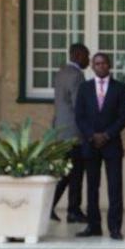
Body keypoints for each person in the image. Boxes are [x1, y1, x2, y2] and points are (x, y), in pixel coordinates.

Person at [74, 52, 125, 240]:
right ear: (92, 66)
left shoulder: (119, 88)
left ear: (109, 65)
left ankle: (115, 228)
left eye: (104, 63)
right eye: (97, 63)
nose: (101, 66)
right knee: (92, 187)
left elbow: (124, 117)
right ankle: (93, 225)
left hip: (112, 145)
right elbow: (79, 117)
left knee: (115, 188)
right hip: (90, 146)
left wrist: (106, 135)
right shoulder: (84, 88)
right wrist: (91, 135)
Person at [50, 43, 90, 223]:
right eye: (87, 56)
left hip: (60, 131)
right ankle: (72, 210)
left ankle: (52, 205)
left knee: (67, 172)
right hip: (74, 133)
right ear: (79, 55)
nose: (88, 61)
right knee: (75, 174)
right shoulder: (76, 75)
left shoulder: (61, 73)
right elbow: (78, 105)